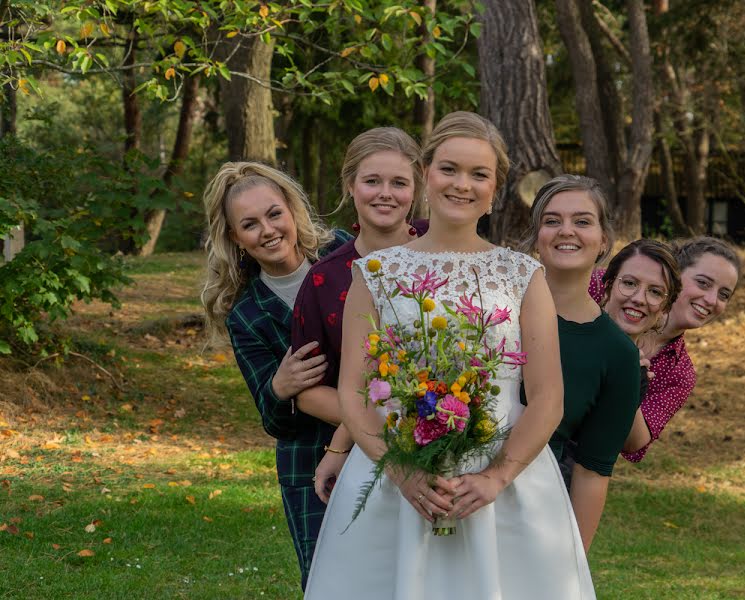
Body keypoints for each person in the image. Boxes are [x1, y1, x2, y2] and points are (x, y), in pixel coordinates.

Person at [304, 112, 595, 599]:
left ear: (496, 186)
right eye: (449, 169)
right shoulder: (374, 273)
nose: (463, 185)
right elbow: (354, 393)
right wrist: (402, 472)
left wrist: (496, 478)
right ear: (425, 175)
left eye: (479, 174)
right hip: (396, 475)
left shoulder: (523, 275)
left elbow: (548, 398)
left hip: (503, 480)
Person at [199, 162, 350, 591]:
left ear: (292, 210)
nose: (267, 230)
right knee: (328, 580)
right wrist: (279, 388)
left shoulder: (342, 252)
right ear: (234, 238)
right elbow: (274, 421)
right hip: (309, 460)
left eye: (273, 214)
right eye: (249, 224)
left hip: (386, 434)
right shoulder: (247, 314)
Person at [521, 176, 679, 552]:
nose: (566, 231)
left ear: (604, 239)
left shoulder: (618, 355)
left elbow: (592, 473)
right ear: (536, 235)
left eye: (582, 221)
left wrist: (570, 566)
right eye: (552, 220)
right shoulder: (494, 304)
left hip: (534, 509)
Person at [290, 127, 426, 543]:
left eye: (399, 182)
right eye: (372, 181)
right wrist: (386, 425)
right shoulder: (324, 279)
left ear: (416, 189)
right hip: (363, 459)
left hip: (451, 441)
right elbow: (307, 391)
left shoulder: (443, 254)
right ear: (350, 185)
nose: (385, 193)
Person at [617, 236, 741, 461]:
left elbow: (634, 443)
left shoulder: (680, 373)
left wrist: (628, 385)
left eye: (724, 295)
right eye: (703, 283)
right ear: (675, 276)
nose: (712, 300)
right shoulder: (613, 290)